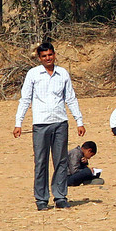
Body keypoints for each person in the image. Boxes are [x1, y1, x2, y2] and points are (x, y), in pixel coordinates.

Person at [13, 40, 86, 211]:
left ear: (54, 55)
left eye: (50, 55)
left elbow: (70, 98)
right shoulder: (33, 74)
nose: (48, 58)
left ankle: (60, 196)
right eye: (44, 56)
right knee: (41, 161)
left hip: (60, 122)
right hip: (41, 124)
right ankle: (41, 199)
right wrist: (18, 123)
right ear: (39, 57)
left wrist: (79, 121)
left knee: (60, 161)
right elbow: (25, 99)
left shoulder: (63, 73)